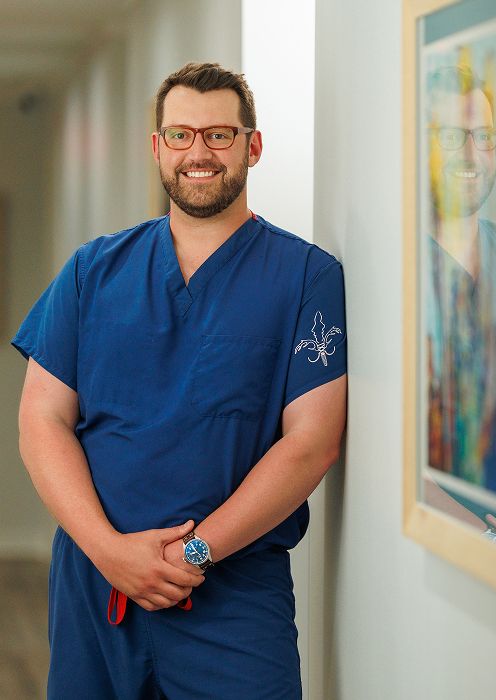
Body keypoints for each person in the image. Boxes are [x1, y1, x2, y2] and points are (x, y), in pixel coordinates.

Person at [12, 62, 347, 699]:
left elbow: (312, 443)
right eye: (180, 135)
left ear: (252, 146)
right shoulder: (91, 271)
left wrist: (192, 555)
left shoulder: (305, 277)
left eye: (219, 135)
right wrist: (110, 552)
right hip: (95, 587)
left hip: (233, 594)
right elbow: (41, 419)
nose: (199, 153)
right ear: (157, 147)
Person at [421, 65, 496, 548]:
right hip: (451, 543)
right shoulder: (397, 275)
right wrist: (490, 539)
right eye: (450, 137)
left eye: (483, 136)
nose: (470, 154)